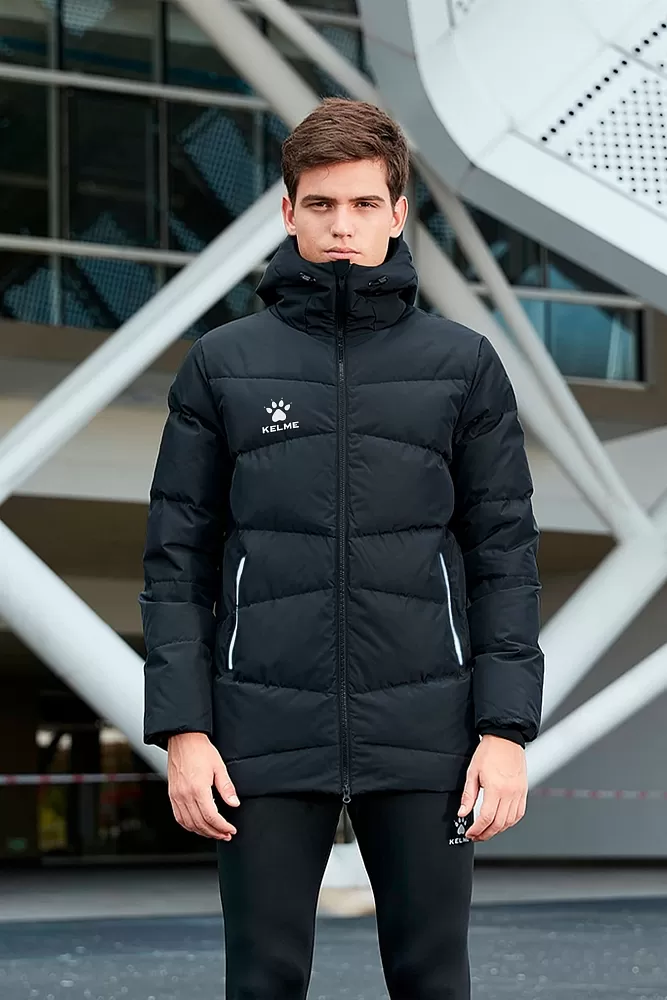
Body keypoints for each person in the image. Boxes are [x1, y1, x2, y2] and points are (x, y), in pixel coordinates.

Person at [139, 97, 544, 1000]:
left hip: (428, 728)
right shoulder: (222, 364)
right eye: (321, 205)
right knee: (263, 981)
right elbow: (176, 564)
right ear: (289, 213)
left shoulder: (462, 364)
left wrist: (504, 730)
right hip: (259, 727)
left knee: (432, 979)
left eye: (363, 204)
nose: (342, 226)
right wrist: (184, 731)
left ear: (397, 213)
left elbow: (503, 558)